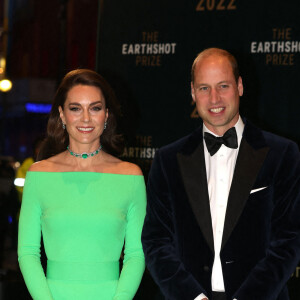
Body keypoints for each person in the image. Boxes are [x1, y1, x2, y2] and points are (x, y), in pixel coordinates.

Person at [141, 48, 300, 300]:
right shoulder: (168, 160)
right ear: (192, 92)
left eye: (223, 86)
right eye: (204, 88)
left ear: (239, 86)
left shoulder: (282, 155)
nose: (214, 98)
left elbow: (289, 240)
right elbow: (156, 241)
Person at [18, 69, 146, 300]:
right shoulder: (38, 174)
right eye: (75, 108)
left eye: (95, 108)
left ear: (106, 115)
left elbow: (136, 254)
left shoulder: (131, 176)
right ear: (62, 114)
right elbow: (27, 252)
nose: (85, 118)